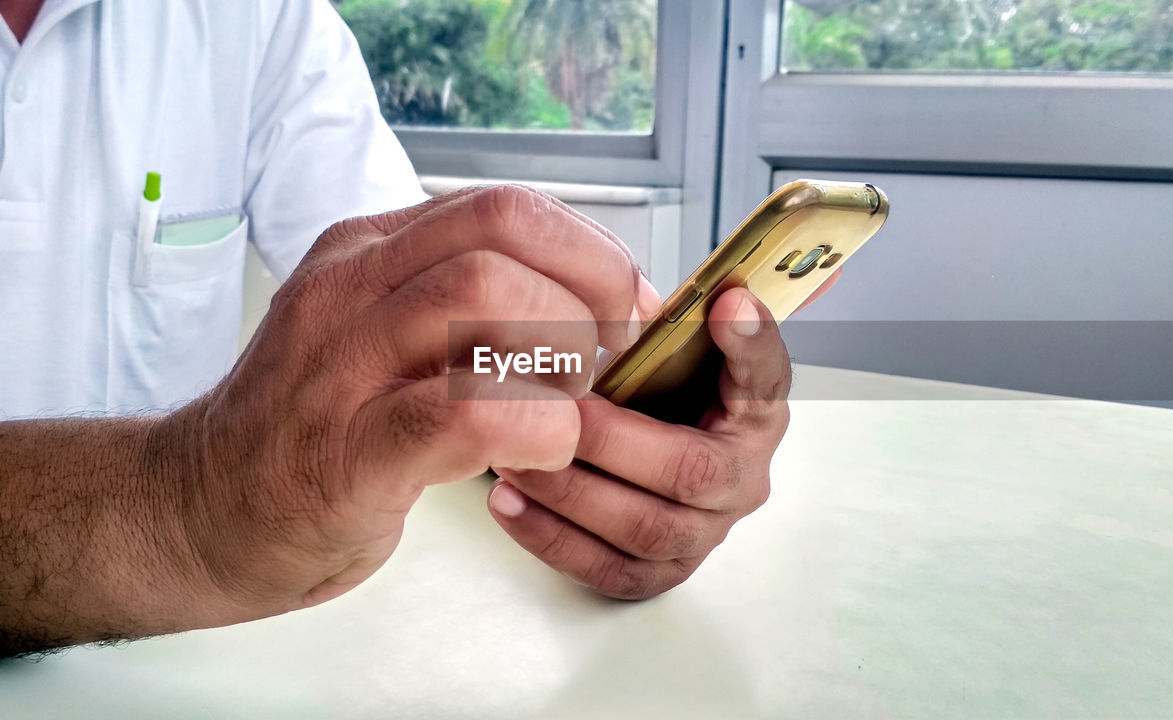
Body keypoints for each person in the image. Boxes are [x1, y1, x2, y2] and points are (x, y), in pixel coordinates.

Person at [0, 0, 794, 657]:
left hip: (203, 658)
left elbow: (428, 340)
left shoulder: (258, 17)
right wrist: (181, 506)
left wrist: (608, 420)